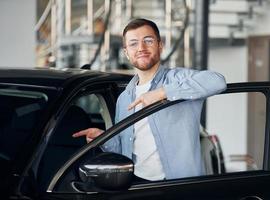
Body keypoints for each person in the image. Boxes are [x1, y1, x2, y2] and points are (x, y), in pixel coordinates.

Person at [73, 18, 226, 181]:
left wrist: (163, 92)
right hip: (136, 184)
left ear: (160, 45)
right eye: (133, 43)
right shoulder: (124, 99)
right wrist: (103, 139)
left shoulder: (177, 78)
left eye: (148, 40)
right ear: (126, 52)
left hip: (178, 186)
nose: (141, 48)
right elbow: (121, 151)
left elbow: (217, 81)